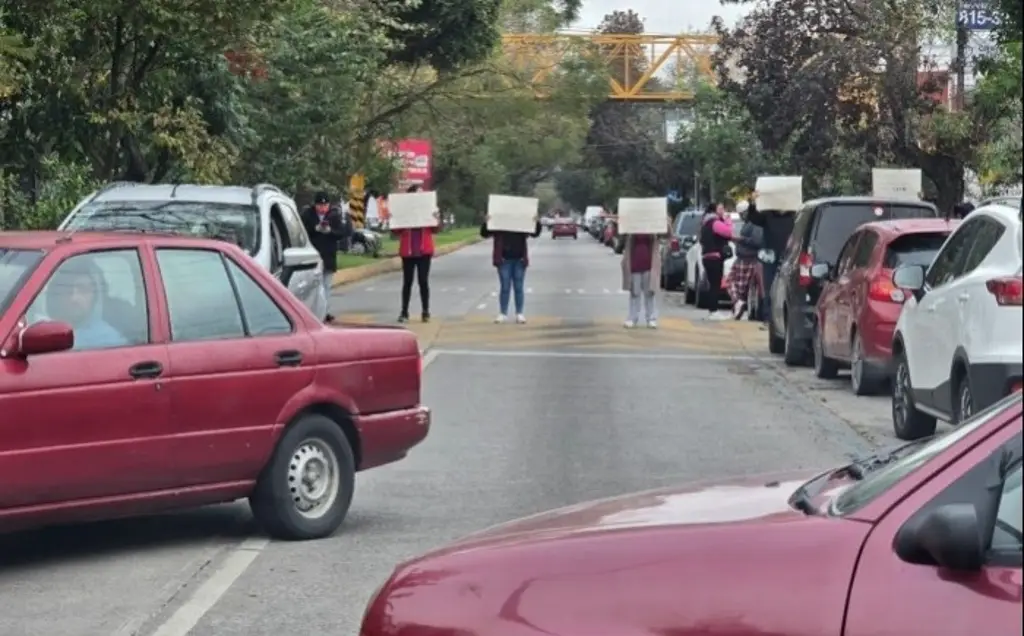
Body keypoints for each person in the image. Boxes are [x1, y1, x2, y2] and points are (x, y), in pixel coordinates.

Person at [46, 259, 126, 350]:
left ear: (95, 297)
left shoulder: (109, 342)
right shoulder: (43, 333)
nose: (74, 298)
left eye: (83, 290)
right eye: (67, 290)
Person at [744, 191, 796, 324]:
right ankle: (768, 318)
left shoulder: (794, 217)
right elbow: (753, 218)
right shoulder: (768, 215)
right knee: (769, 287)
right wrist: (753, 203)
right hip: (770, 255)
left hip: (788, 256)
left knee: (786, 287)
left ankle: (784, 319)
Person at [480, 215, 542, 323]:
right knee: (505, 287)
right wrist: (486, 223)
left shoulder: (521, 225)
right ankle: (503, 313)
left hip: (519, 260)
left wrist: (536, 223)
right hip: (504, 260)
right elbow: (485, 234)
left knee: (519, 287)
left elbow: (534, 233)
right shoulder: (499, 226)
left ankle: (519, 313)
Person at [391, 185, 439, 323]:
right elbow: (396, 231)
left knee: (423, 281)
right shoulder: (404, 212)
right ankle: (404, 311)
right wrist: (393, 218)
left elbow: (436, 229)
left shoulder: (428, 210)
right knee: (407, 282)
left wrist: (436, 218)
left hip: (424, 251)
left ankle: (425, 311)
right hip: (408, 251)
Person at [301, 191, 347, 322]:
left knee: (326, 285)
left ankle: (324, 311)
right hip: (313, 255)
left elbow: (342, 232)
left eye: (325, 205)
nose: (322, 208)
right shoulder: (307, 215)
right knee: (314, 286)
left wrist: (330, 231)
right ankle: (312, 312)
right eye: (319, 205)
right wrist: (315, 229)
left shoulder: (334, 215)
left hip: (328, 255)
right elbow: (302, 231)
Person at [621, 227, 664, 328]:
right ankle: (632, 318)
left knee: (649, 293)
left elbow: (667, 234)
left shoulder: (653, 227)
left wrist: (666, 222)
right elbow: (620, 235)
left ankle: (651, 319)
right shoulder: (631, 228)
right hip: (634, 264)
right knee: (635, 293)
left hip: (649, 265)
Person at [699, 202, 734, 320]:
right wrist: (728, 221)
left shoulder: (705, 222)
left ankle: (712, 310)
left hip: (707, 257)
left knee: (713, 285)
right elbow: (728, 232)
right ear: (715, 210)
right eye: (721, 208)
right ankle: (713, 311)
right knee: (715, 285)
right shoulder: (715, 223)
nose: (723, 210)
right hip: (715, 257)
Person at [728, 200, 763, 319]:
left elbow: (757, 241)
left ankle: (739, 302)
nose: (741, 217)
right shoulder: (749, 223)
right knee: (738, 285)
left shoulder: (755, 224)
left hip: (749, 259)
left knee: (734, 282)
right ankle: (738, 303)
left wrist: (740, 239)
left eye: (742, 214)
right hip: (743, 258)